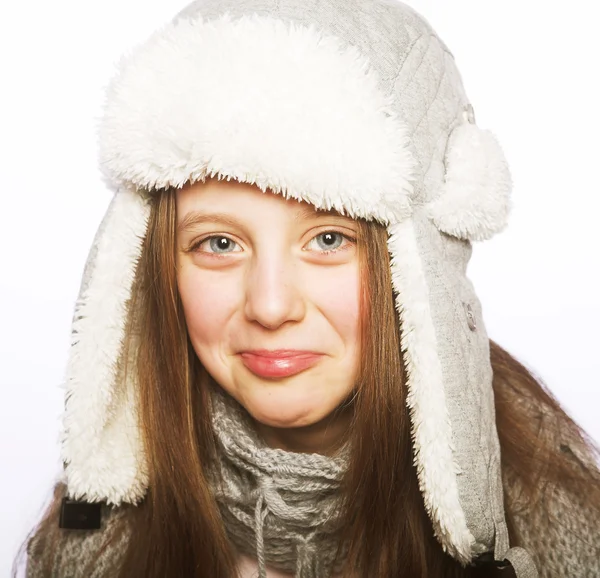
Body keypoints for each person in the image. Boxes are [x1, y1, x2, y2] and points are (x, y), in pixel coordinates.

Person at [14, 0, 600, 576]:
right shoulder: (90, 543)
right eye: (219, 243)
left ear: (420, 266)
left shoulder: (555, 520)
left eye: (328, 239)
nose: (270, 306)